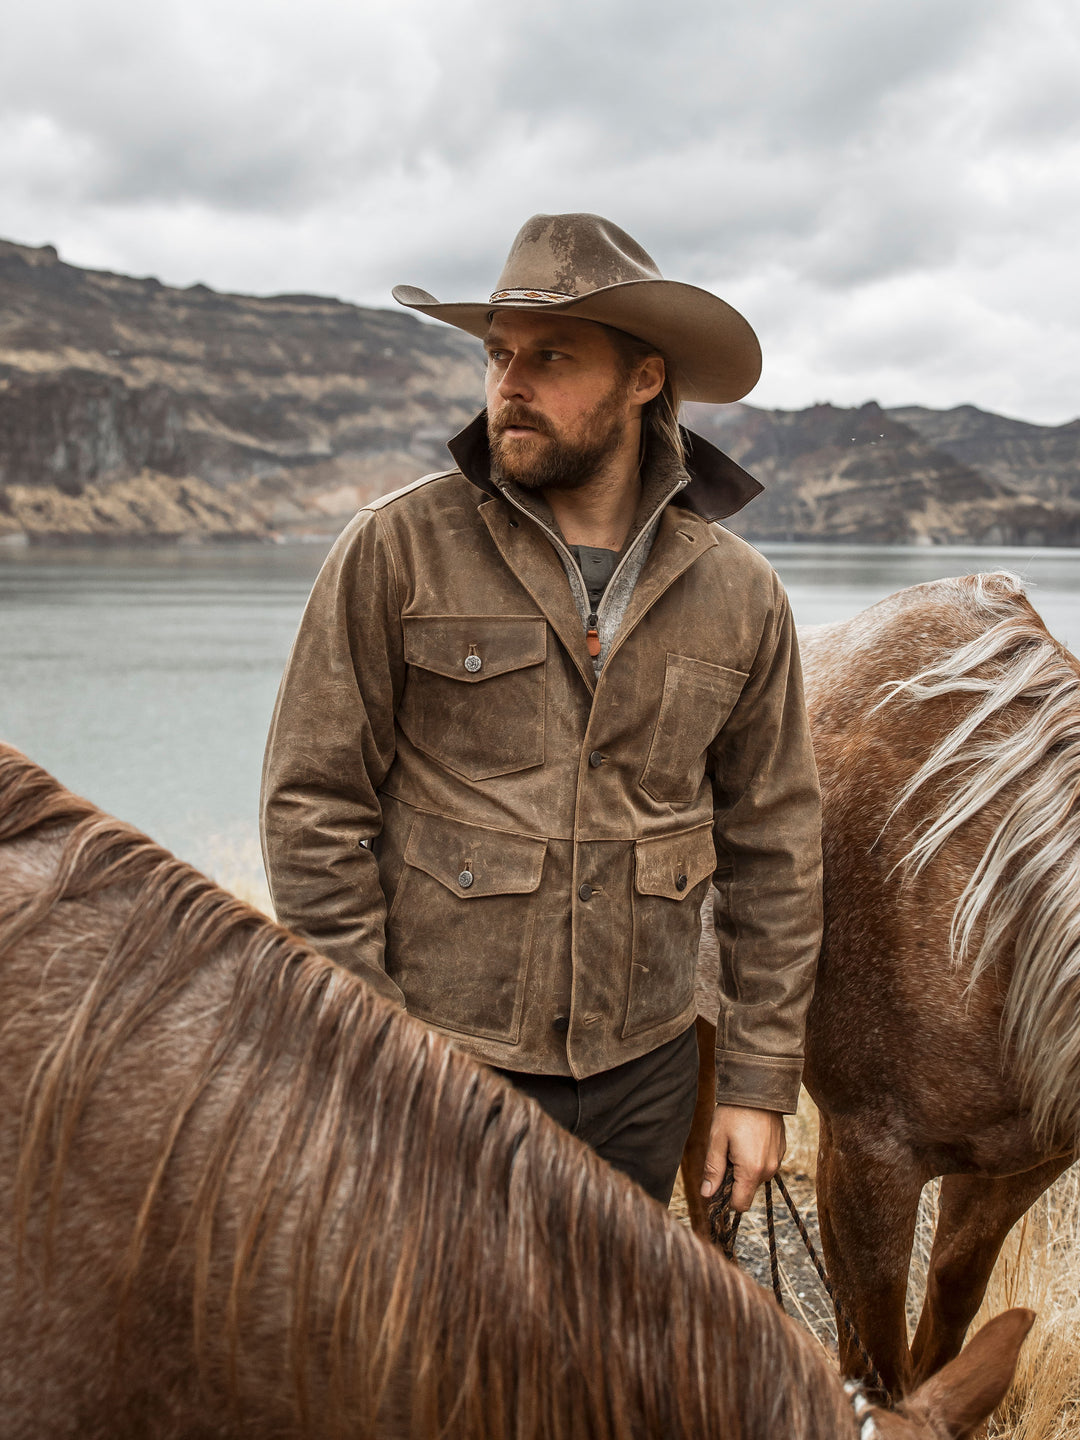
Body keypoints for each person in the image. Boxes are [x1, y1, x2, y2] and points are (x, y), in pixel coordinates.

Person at [260, 213, 822, 1211]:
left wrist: (756, 1081)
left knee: (601, 1356)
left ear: (644, 380)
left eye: (550, 357)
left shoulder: (742, 596)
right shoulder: (398, 550)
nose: (509, 385)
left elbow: (773, 844)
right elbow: (311, 808)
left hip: (649, 1077)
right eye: (498, 355)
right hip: (442, 1068)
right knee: (430, 1351)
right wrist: (376, 1048)